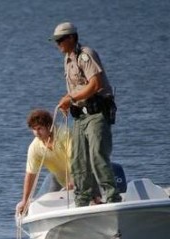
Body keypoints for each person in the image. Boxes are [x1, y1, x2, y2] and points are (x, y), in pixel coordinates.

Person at [52, 22, 120, 207]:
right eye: (55, 41)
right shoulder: (67, 59)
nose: (57, 44)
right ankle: (83, 200)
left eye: (60, 40)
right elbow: (76, 88)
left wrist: (71, 98)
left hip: (96, 113)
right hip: (79, 117)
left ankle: (112, 197)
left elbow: (95, 84)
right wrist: (67, 100)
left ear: (71, 38)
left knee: (97, 155)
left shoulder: (85, 55)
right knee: (77, 159)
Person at [16, 109, 73, 216]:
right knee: (51, 178)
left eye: (40, 129)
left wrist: (74, 180)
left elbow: (76, 159)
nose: (37, 133)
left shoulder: (64, 133)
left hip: (83, 177)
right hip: (61, 181)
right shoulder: (35, 147)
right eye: (34, 129)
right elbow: (30, 174)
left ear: (49, 126)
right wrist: (25, 200)